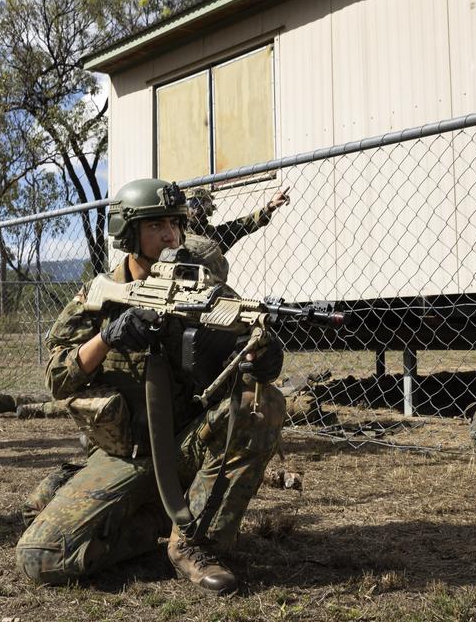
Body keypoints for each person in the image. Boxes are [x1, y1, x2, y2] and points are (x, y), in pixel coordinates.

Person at [15, 177, 286, 594]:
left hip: (187, 444)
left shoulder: (204, 287)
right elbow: (57, 377)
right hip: (126, 454)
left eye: (176, 224)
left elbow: (246, 346)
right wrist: (107, 338)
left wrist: (265, 357)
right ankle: (154, 521)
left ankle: (194, 543)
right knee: (41, 557)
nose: (171, 235)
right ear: (128, 232)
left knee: (260, 401)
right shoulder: (100, 295)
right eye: (157, 224)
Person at [185, 185, 290, 282]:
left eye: (203, 204)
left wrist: (270, 207)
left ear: (209, 209)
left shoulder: (215, 236)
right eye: (194, 203)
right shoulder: (177, 234)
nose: (197, 208)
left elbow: (244, 223)